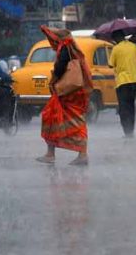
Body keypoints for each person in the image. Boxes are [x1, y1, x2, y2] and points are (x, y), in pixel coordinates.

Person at [36, 26, 93, 166]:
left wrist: (54, 79)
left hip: (67, 93)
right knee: (58, 119)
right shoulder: (71, 48)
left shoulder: (65, 49)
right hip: (71, 93)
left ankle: (58, 153)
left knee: (53, 118)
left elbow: (60, 68)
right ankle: (56, 153)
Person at [109, 29, 136, 138]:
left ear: (117, 38)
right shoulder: (133, 47)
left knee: (123, 108)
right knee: (131, 106)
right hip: (134, 82)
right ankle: (131, 131)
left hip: (122, 82)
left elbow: (110, 65)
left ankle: (127, 132)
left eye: (114, 39)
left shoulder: (116, 48)